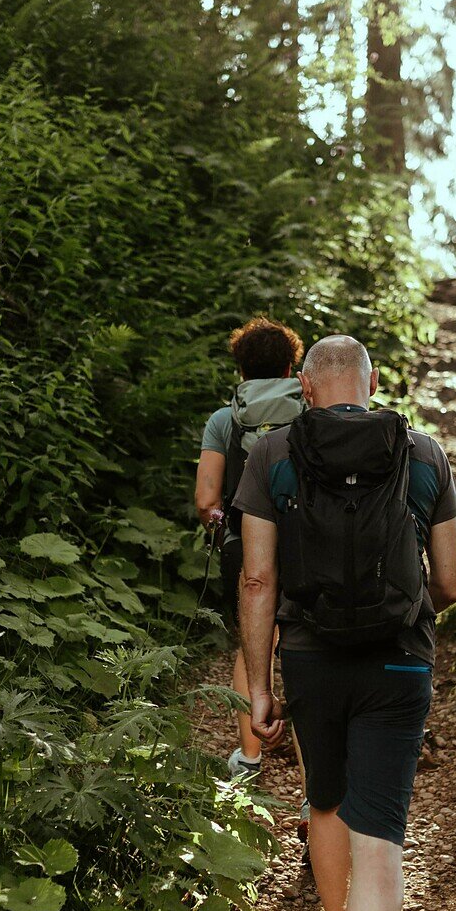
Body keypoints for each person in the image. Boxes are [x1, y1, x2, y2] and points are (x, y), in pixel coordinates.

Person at [234, 334, 456, 911]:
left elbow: (258, 577)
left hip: (311, 658)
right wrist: (401, 617)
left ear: (305, 387)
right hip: (398, 665)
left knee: (325, 799)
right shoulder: (423, 453)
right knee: (382, 839)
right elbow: (452, 582)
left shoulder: (272, 454)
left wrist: (259, 688)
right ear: (372, 382)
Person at [194, 316, 306, 779]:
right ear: (290, 369)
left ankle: (249, 758)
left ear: (240, 369)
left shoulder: (224, 420)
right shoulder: (311, 412)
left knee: (252, 648)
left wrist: (223, 525)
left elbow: (206, 500)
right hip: (305, 544)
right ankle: (313, 771)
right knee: (304, 643)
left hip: (245, 546)